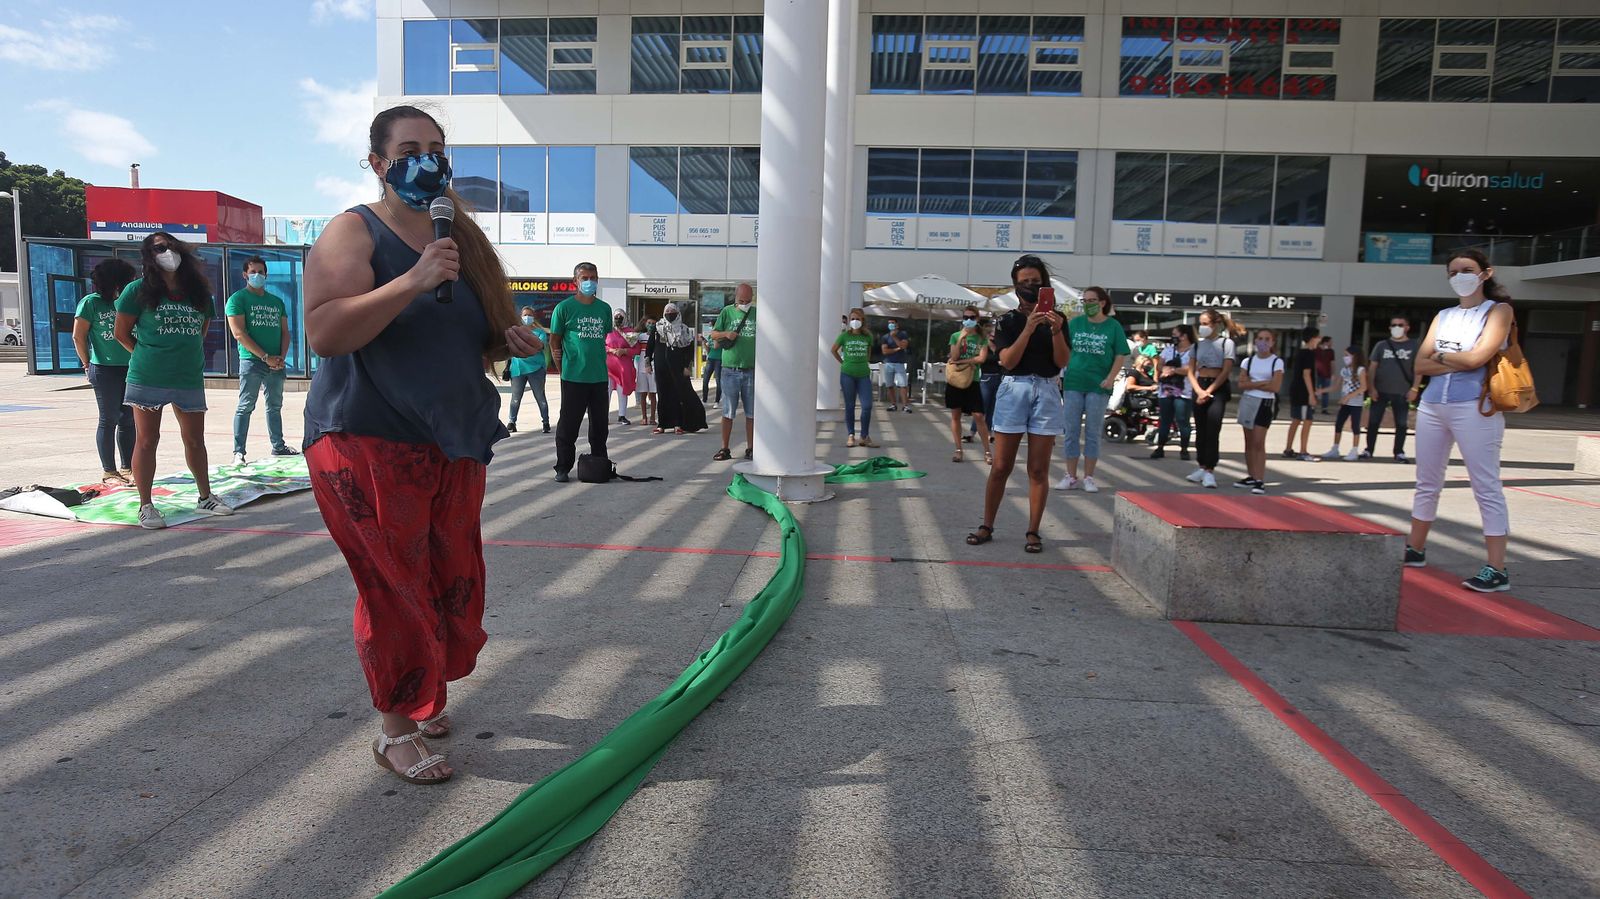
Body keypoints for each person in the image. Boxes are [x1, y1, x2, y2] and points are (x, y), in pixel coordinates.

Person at [302, 104, 525, 785]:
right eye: (409, 147)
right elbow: (326, 332)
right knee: (394, 585)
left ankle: (425, 692)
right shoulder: (354, 230)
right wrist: (411, 279)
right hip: (366, 437)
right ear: (377, 161)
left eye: (436, 146)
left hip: (450, 439)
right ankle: (395, 727)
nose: (426, 158)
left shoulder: (459, 233)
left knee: (452, 582)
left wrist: (508, 340)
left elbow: (469, 332)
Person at [1407, 248, 1516, 593]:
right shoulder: (1444, 315)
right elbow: (1420, 366)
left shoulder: (1499, 310)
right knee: (1426, 481)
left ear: (1485, 273)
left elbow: (1478, 359)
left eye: (1467, 269)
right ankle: (1415, 549)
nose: (1460, 276)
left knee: (1485, 485)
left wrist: (1442, 356)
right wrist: (1455, 358)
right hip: (1433, 404)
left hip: (1475, 405)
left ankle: (1496, 569)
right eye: (1453, 272)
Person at [113, 233, 235, 529]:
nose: (167, 253)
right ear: (149, 256)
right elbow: (121, 333)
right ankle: (146, 505)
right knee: (147, 440)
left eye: (171, 246)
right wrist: (147, 353)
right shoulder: (137, 290)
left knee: (195, 439)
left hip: (188, 376)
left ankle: (205, 496)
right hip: (148, 376)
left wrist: (181, 353)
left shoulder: (199, 294)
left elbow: (202, 329)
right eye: (159, 248)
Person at [969, 255, 1068, 554]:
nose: (1029, 287)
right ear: (1015, 287)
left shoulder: (1060, 320)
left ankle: (1033, 531)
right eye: (1023, 283)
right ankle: (987, 524)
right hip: (1015, 388)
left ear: (1045, 285)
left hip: (1048, 390)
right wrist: (1028, 327)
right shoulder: (1009, 320)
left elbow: (1061, 361)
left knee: (1038, 470)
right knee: (1001, 466)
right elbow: (1007, 361)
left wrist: (1055, 330)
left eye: (1035, 282)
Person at [1055, 286, 1128, 493]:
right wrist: (1059, 373)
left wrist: (1110, 378)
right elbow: (1063, 349)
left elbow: (1120, 354)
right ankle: (1070, 476)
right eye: (1084, 300)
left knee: (1093, 432)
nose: (1087, 304)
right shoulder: (1075, 323)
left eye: (1091, 300)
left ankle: (1089, 477)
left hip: (1099, 386)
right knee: (1071, 431)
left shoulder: (1113, 326)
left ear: (1102, 302)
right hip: (1074, 383)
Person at [226, 255, 296, 465]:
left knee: (274, 405)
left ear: (266, 274)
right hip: (252, 361)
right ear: (245, 275)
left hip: (276, 362)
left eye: (261, 272)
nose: (257, 275)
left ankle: (278, 446)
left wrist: (281, 358)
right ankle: (238, 452)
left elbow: (285, 332)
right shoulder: (237, 299)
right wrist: (265, 357)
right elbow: (238, 333)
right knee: (246, 405)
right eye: (253, 272)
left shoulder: (276, 302)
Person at [74, 258, 138, 485]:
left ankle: (128, 467)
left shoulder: (129, 302)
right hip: (103, 369)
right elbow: (78, 336)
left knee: (128, 418)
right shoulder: (90, 303)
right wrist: (86, 363)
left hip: (131, 367)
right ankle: (109, 471)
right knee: (108, 417)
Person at [550, 262, 613, 481]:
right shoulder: (564, 308)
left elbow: (605, 335)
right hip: (573, 378)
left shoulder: (604, 309)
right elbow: (554, 341)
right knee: (568, 425)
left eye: (593, 277)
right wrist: (562, 368)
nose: (589, 282)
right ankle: (562, 467)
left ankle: (599, 465)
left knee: (600, 426)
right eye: (584, 278)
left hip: (598, 378)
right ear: (575, 281)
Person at [1184, 309, 1241, 489]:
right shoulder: (1197, 345)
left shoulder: (1226, 343)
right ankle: (1201, 465)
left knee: (1213, 428)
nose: (1203, 327)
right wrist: (1199, 390)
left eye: (1206, 323)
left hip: (1217, 387)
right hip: (1200, 385)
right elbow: (1190, 370)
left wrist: (1209, 391)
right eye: (1201, 323)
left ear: (1216, 324)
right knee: (1200, 429)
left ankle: (1210, 469)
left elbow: (1226, 370)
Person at [710, 282, 756, 461]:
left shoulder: (757, 313)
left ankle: (751, 447)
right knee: (728, 410)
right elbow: (713, 334)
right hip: (730, 369)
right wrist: (725, 334)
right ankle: (724, 447)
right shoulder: (727, 312)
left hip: (751, 370)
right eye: (741, 300)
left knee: (751, 412)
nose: (744, 303)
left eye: (747, 300)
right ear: (735, 298)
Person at [1364, 316, 1420, 462]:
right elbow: (1372, 368)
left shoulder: (1414, 346)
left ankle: (1399, 452)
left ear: (1407, 327)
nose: (1397, 327)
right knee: (1373, 422)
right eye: (1394, 325)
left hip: (1402, 391)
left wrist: (1414, 388)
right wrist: (1371, 388)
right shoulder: (1381, 345)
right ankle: (1368, 449)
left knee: (1401, 424)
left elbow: (1418, 369)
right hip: (1380, 390)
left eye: (1400, 325)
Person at [1235, 329, 1284, 495]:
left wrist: (1253, 383)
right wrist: (1261, 383)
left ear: (1272, 342)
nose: (1263, 342)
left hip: (1264, 402)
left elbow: (1275, 386)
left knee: (1258, 441)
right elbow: (1241, 384)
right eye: (1260, 338)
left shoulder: (1276, 362)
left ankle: (1260, 479)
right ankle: (1251, 475)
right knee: (1248, 441)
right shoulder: (1248, 361)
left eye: (1267, 339)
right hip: (1248, 401)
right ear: (1255, 341)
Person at [650, 303, 706, 434]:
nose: (670, 313)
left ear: (678, 313)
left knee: (676, 394)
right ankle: (662, 424)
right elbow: (650, 346)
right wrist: (648, 362)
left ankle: (677, 423)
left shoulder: (684, 329)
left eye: (673, 310)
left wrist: (687, 366)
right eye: (667, 310)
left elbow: (688, 349)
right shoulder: (658, 327)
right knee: (662, 394)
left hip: (677, 367)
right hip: (661, 366)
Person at [945, 306, 990, 462]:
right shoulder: (955, 335)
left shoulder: (981, 338)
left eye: (971, 317)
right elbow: (954, 356)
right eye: (965, 317)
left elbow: (981, 359)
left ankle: (987, 452)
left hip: (973, 380)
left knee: (978, 415)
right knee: (955, 415)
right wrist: (961, 339)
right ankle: (958, 450)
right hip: (956, 379)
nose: (968, 320)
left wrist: (964, 361)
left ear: (977, 319)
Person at [832, 307, 877, 448]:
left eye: (857, 319)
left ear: (862, 320)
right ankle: (851, 435)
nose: (854, 321)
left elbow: (868, 354)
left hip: (863, 374)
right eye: (852, 319)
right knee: (850, 406)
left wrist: (863, 363)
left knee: (867, 406)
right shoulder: (844, 336)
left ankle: (864, 436)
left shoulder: (868, 336)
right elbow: (833, 350)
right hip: (847, 374)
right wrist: (843, 362)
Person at [1150, 325, 1195, 461]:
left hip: (1184, 391)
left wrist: (1174, 370)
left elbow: (1191, 368)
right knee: (1165, 420)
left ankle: (1184, 449)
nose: (1173, 336)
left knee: (1182, 420)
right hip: (1166, 391)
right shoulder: (1169, 350)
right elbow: (1159, 365)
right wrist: (1163, 368)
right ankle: (1160, 447)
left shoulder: (1194, 350)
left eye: (1176, 334)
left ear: (1184, 335)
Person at [1282, 325, 1323, 462]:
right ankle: (1303, 451)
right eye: (1318, 337)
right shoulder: (1308, 353)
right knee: (1307, 420)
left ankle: (1288, 449)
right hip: (1303, 392)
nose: (1319, 339)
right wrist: (1311, 394)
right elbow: (1307, 374)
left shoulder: (1301, 352)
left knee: (1296, 420)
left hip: (1296, 390)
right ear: (1312, 338)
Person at [507, 306, 550, 434]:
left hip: (536, 369)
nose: (527, 318)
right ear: (521, 316)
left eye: (529, 315)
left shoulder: (539, 332)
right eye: (525, 315)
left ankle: (545, 422)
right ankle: (511, 422)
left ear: (534, 317)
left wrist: (524, 344)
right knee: (515, 398)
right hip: (518, 369)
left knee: (540, 397)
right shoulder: (515, 331)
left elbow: (539, 346)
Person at [1323, 346, 1367, 461]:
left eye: (1347, 355)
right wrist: (1321, 391)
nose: (1345, 358)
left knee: (1355, 426)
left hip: (1355, 403)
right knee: (1338, 424)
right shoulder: (1344, 370)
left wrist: (1348, 396)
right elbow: (1336, 386)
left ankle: (1354, 450)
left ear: (1355, 356)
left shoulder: (1360, 370)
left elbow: (1363, 387)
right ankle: (1335, 448)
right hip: (1345, 403)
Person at [606, 311, 640, 425]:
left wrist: (624, 351)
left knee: (622, 391)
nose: (618, 319)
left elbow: (636, 349)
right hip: (608, 366)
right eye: (616, 317)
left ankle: (622, 415)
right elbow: (602, 344)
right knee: (606, 391)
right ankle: (603, 416)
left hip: (623, 367)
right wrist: (611, 350)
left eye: (621, 317)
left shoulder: (630, 332)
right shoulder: (608, 330)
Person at [880, 317, 912, 411]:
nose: (890, 324)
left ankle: (905, 405)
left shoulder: (903, 334)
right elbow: (885, 351)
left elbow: (903, 346)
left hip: (900, 363)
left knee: (903, 385)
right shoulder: (885, 337)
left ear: (897, 325)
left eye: (892, 323)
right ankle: (893, 404)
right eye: (889, 323)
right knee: (890, 385)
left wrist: (894, 337)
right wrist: (896, 349)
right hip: (888, 363)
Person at [635, 316, 658, 426]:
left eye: (653, 323)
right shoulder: (640, 337)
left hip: (653, 366)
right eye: (649, 322)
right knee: (643, 393)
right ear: (645, 324)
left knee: (653, 393)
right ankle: (644, 417)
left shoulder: (657, 336)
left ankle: (653, 417)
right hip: (641, 367)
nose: (651, 325)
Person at [1313, 336, 1335, 413]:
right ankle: (1313, 407)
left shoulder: (1330, 351)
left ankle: (1324, 408)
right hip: (1317, 374)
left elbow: (1332, 363)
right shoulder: (1316, 350)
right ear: (1325, 342)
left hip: (1327, 374)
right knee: (1315, 391)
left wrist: (1332, 373)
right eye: (1330, 341)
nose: (1331, 343)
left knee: (1325, 392)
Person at [699, 327, 720, 403]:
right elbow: (708, 350)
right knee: (705, 380)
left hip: (719, 359)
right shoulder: (710, 337)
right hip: (710, 358)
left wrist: (715, 338)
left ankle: (717, 401)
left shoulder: (720, 337)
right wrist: (704, 343)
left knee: (718, 381)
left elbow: (715, 346)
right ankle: (704, 399)